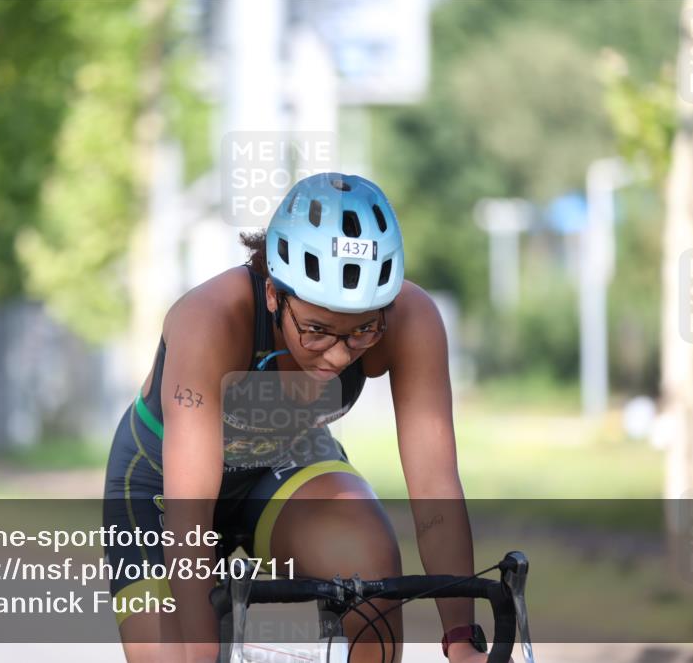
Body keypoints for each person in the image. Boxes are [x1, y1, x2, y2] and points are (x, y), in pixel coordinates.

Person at [103, 172, 492, 663]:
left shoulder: (411, 320)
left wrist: (462, 640)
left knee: (370, 569)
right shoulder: (211, 319)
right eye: (317, 329)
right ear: (273, 294)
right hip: (163, 485)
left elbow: (435, 488)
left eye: (363, 331)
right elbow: (190, 515)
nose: (336, 356)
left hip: (284, 458)